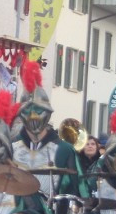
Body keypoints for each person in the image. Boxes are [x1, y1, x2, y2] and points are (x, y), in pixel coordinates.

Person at [11, 60, 87, 200]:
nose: (33, 116)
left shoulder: (64, 150)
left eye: (38, 110)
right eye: (28, 110)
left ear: (47, 113)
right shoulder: (12, 146)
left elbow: (77, 191)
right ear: (21, 113)